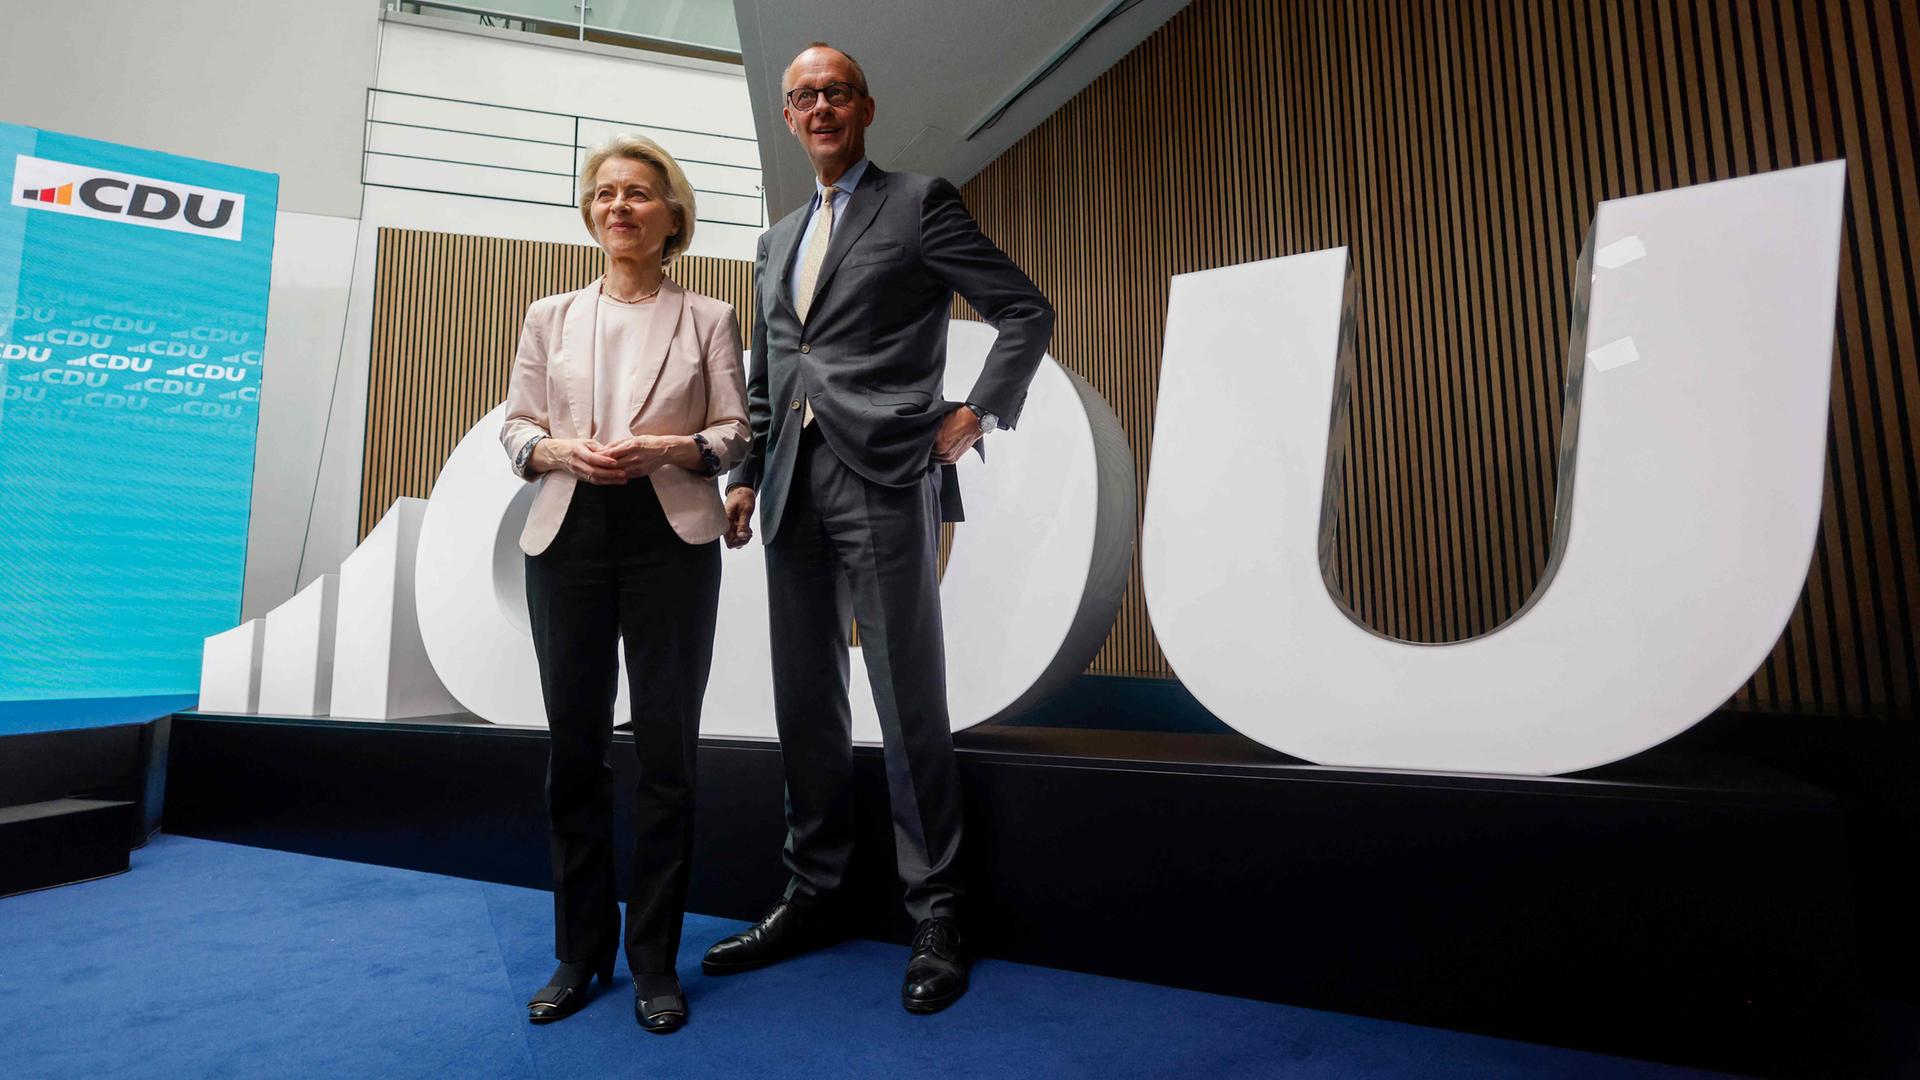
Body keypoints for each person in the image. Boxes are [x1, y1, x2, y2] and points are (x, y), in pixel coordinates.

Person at [702, 42, 1054, 1014]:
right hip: (786, 491)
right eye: (802, 96)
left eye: (834, 92)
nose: (818, 106)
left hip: (885, 473)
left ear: (862, 107)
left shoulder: (920, 202)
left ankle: (937, 913)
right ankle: (811, 894)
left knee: (906, 699)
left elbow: (1025, 310)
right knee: (805, 703)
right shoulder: (774, 244)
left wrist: (975, 411)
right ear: (788, 118)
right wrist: (739, 476)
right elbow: (771, 376)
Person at [499, 134, 749, 1034]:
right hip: (567, 532)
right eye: (605, 194)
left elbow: (736, 431)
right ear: (590, 212)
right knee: (574, 753)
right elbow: (518, 425)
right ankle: (578, 952)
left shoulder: (711, 317)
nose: (619, 207)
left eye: (639, 194)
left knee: (669, 759)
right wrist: (556, 450)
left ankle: (653, 960)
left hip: (669, 535)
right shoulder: (548, 314)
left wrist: (672, 450)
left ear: (671, 214)